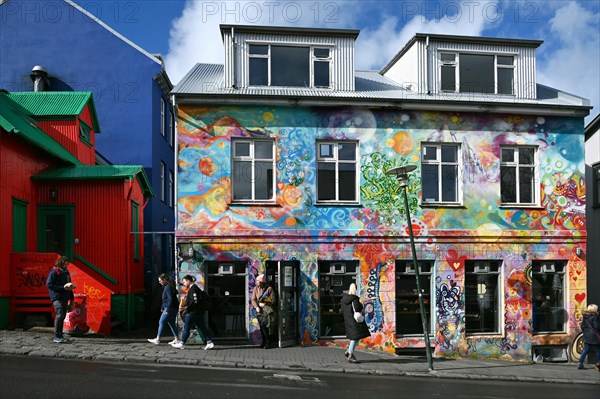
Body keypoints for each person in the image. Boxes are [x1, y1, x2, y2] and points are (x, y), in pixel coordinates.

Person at [171, 275, 214, 350]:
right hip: (198, 312)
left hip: (193, 312)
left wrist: (187, 308)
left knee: (186, 327)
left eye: (184, 282)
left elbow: (195, 301)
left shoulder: (193, 289)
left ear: (188, 281)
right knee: (202, 327)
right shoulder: (194, 288)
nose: (184, 284)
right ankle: (209, 342)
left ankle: (182, 343)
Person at [46, 256, 76, 343]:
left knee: (62, 316)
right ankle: (57, 336)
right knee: (60, 315)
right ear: (61, 262)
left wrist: (72, 299)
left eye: (67, 263)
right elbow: (49, 284)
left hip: (65, 297)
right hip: (57, 297)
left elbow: (69, 286)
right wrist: (62, 288)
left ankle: (60, 335)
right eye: (65, 263)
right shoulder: (54, 272)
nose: (67, 264)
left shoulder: (66, 273)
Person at [341, 283, 370, 363]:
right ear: (355, 289)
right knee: (355, 337)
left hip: (348, 321)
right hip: (354, 321)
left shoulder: (344, 299)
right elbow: (357, 308)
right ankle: (350, 354)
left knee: (355, 337)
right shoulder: (354, 298)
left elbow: (342, 310)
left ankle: (348, 351)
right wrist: (361, 305)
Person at [148, 274, 180, 345]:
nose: (159, 282)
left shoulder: (167, 287)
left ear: (164, 280)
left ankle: (158, 339)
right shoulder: (170, 286)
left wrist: (167, 309)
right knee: (171, 323)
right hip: (173, 308)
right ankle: (177, 339)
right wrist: (163, 307)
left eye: (160, 281)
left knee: (161, 322)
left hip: (169, 308)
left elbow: (170, 299)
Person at [251, 274, 277, 349]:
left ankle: (269, 342)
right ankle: (264, 342)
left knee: (268, 327)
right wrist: (256, 307)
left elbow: (273, 300)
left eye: (257, 281)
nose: (256, 282)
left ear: (261, 282)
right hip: (260, 311)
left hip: (267, 311)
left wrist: (265, 302)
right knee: (262, 327)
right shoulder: (256, 288)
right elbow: (253, 299)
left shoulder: (269, 289)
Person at [577, 304, 600, 371]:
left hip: (586, 336)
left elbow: (582, 327)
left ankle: (580, 363)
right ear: (594, 310)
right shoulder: (594, 317)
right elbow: (597, 326)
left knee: (585, 350)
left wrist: (586, 332)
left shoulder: (585, 317)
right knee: (598, 350)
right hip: (594, 336)